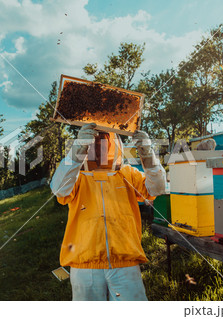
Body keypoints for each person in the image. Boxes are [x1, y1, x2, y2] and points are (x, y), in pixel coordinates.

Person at [50, 123, 166, 301]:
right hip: (85, 265)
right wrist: (76, 151)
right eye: (93, 142)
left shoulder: (127, 174)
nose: (99, 146)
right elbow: (58, 189)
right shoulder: (77, 177)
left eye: (104, 141)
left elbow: (157, 188)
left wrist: (148, 154)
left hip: (125, 262)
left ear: (114, 144)